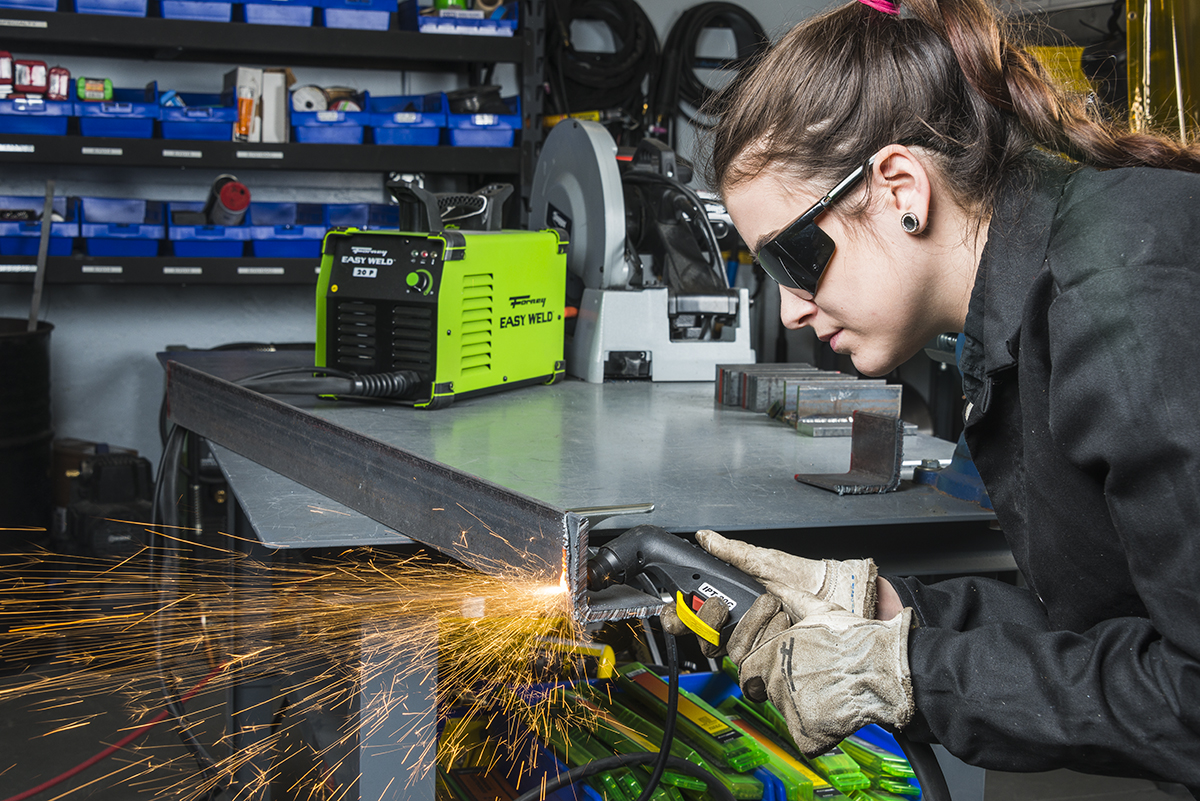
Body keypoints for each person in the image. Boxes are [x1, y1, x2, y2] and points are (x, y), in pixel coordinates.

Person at [664, 0, 1200, 792]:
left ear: (899, 187)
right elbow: (1108, 629)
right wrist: (884, 610)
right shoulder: (1028, 304)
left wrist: (906, 669)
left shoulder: (1116, 297)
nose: (787, 308)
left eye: (792, 260)